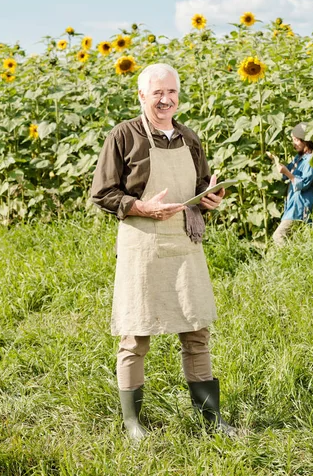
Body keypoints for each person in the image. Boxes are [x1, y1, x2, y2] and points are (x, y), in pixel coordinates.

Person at [90, 62, 236, 440]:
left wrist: (210, 199)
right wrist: (142, 207)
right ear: (142, 96)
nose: (166, 100)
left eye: (171, 92)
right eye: (157, 93)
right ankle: (133, 423)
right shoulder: (123, 136)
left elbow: (199, 188)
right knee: (135, 334)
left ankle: (210, 420)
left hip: (185, 245)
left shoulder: (189, 137)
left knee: (196, 330)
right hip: (143, 245)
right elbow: (102, 193)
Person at [272, 122, 313, 246]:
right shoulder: (298, 158)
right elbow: (285, 175)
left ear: (306, 141)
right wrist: (276, 162)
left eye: (296, 140)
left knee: (279, 236)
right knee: (297, 241)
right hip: (292, 206)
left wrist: (287, 173)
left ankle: (287, 261)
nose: (294, 144)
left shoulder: (312, 159)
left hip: (301, 207)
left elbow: (304, 183)